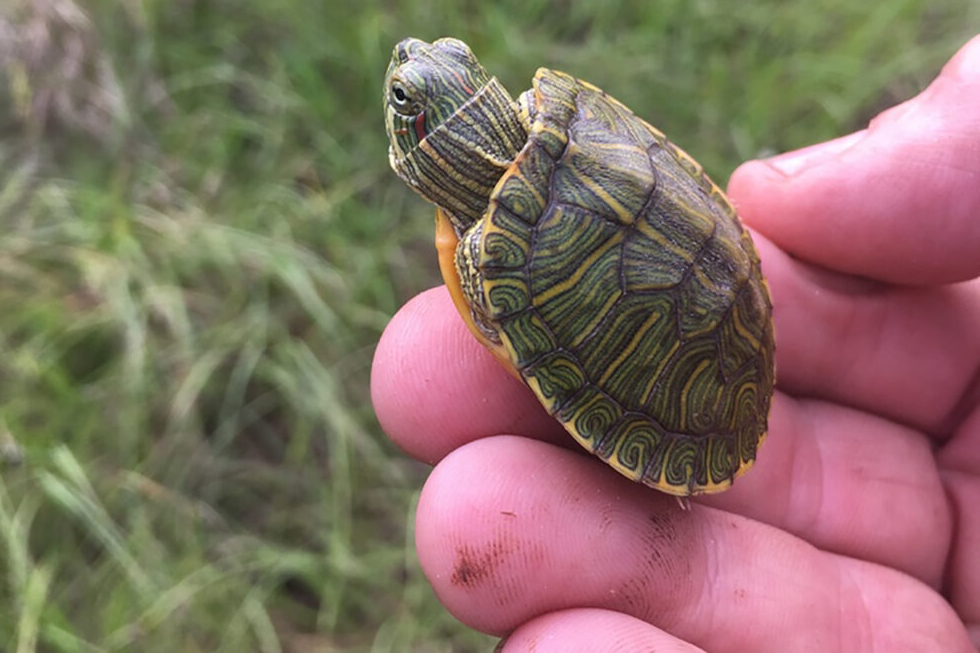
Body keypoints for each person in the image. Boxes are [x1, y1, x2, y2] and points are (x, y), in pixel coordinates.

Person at [371, 35, 980, 652]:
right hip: (732, 304)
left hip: (700, 357)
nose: (406, 48)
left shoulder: (491, 254)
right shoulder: (561, 115)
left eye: (404, 99)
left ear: (428, 145)